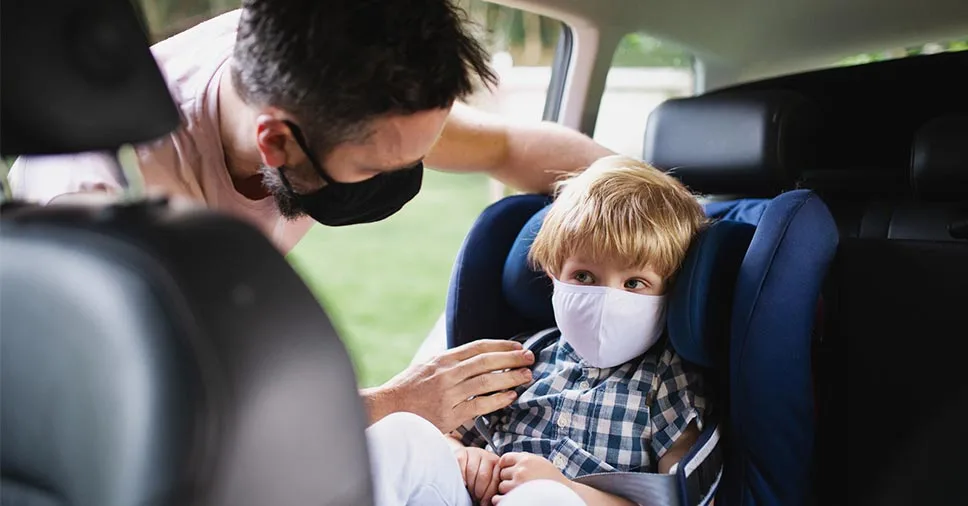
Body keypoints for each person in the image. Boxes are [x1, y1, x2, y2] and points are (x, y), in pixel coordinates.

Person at [6, 0, 616, 433]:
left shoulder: (332, 72)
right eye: (377, 166)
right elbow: (154, 411)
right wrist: (396, 403)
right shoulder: (101, 190)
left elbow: (509, 148)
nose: (404, 176)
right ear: (276, 143)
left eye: (420, 154)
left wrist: (681, 216)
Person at [364, 155, 709, 506]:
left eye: (634, 283)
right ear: (553, 274)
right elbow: (450, 431)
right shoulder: (518, 357)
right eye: (584, 277)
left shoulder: (668, 384)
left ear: (670, 291)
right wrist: (463, 456)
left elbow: (683, 501)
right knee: (403, 434)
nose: (606, 301)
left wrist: (569, 490)